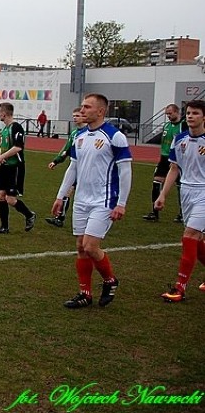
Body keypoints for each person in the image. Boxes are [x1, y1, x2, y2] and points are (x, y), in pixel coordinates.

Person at [51, 93, 132, 309]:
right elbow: (73, 168)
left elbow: (125, 172)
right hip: (81, 200)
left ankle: (110, 280)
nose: (83, 110)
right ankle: (85, 293)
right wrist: (61, 196)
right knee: (80, 247)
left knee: (90, 246)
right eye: (83, 106)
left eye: (87, 107)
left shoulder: (115, 136)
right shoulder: (79, 136)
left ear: (101, 111)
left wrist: (121, 203)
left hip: (104, 200)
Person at [155, 100, 205, 302]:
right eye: (188, 113)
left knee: (189, 236)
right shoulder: (180, 139)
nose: (190, 116)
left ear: (204, 117)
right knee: (198, 239)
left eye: (195, 113)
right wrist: (163, 195)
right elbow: (174, 169)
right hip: (186, 191)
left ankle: (179, 288)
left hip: (203, 191)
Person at [0, 102, 37, 234]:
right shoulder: (5, 129)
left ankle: (29, 215)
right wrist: (0, 156)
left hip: (14, 168)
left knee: (10, 199)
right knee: (1, 196)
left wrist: (2, 157)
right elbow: (3, 146)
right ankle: (4, 227)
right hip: (4, 167)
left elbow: (17, 147)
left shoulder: (16, 127)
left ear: (4, 113)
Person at [143, 103, 186, 223]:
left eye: (170, 113)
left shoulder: (183, 125)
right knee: (156, 183)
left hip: (178, 160)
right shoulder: (166, 125)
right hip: (164, 159)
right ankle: (154, 212)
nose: (168, 116)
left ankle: (182, 213)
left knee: (180, 187)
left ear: (177, 112)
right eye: (167, 113)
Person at [45, 107, 86, 227]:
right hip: (75, 167)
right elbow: (66, 149)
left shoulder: (87, 132)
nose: (75, 118)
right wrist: (56, 161)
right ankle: (60, 217)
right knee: (68, 192)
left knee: (80, 194)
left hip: (86, 169)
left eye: (77, 116)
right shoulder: (74, 132)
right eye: (74, 116)